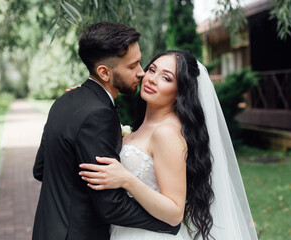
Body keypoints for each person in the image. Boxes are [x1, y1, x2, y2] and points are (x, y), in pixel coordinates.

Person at [79, 50, 259, 240]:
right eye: (152, 70)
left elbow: (174, 213)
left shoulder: (167, 133)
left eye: (166, 78)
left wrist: (126, 180)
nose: (152, 79)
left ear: (179, 92)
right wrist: (88, 97)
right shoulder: (145, 125)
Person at [32, 22, 180, 240]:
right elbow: (111, 206)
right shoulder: (99, 114)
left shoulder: (65, 101)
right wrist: (168, 226)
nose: (141, 73)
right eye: (133, 66)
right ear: (104, 72)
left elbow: (40, 169)